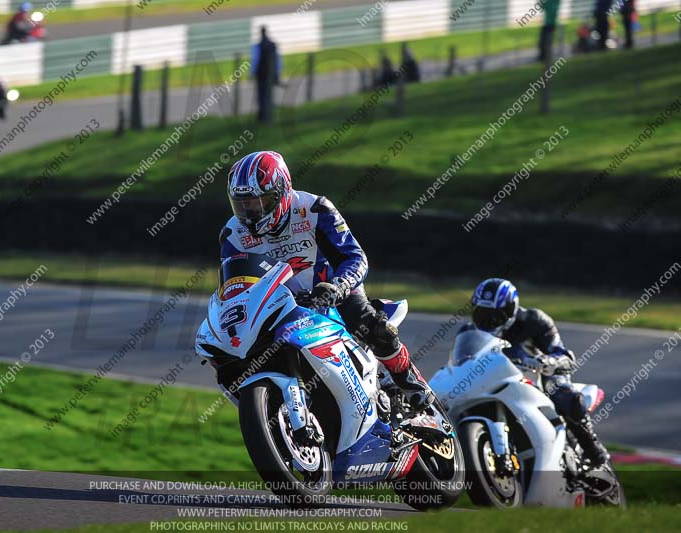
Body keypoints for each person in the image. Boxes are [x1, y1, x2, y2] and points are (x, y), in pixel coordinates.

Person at [219, 150, 435, 413]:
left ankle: (410, 381)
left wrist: (339, 286)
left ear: (282, 191)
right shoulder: (232, 233)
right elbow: (234, 286)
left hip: (332, 291)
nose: (250, 213)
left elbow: (355, 257)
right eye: (242, 205)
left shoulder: (315, 208)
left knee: (369, 323)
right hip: (282, 306)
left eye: (258, 202)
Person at [464, 278, 609, 466]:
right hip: (499, 382)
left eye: (495, 315)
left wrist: (547, 361)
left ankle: (593, 449)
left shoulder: (534, 320)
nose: (489, 321)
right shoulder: (469, 332)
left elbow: (565, 356)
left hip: (541, 376)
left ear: (511, 309)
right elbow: (462, 361)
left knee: (565, 395)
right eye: (482, 314)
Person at [250, 26, 281, 124]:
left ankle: (263, 117)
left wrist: (252, 72)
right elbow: (278, 60)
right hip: (271, 74)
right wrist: (277, 73)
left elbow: (255, 60)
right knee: (269, 96)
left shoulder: (258, 46)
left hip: (261, 74)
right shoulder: (273, 45)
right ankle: (268, 117)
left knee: (261, 96)